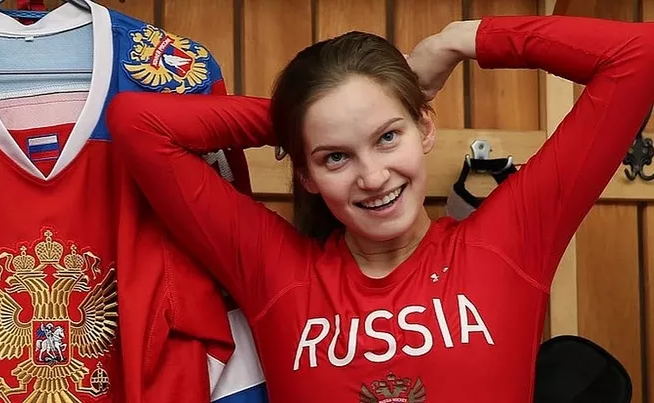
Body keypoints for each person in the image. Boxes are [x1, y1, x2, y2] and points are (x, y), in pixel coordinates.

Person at [105, 14, 654, 402]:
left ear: (425, 128)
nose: (372, 178)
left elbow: (638, 54)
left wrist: (459, 41)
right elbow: (137, 125)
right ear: (306, 175)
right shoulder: (276, 271)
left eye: (388, 136)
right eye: (335, 156)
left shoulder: (510, 241)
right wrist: (305, 116)